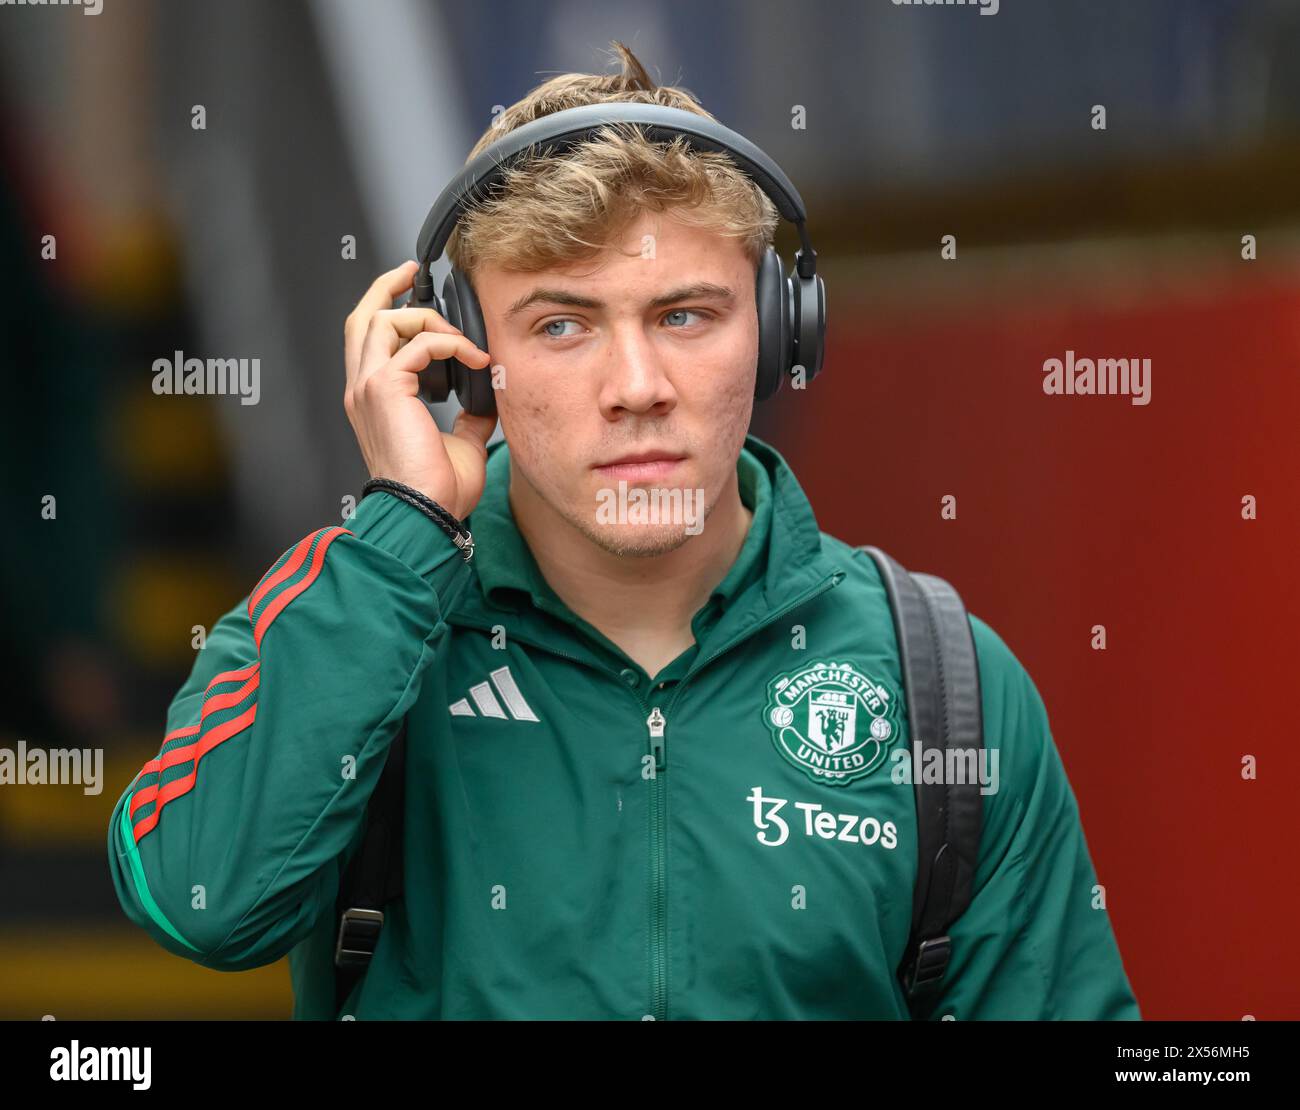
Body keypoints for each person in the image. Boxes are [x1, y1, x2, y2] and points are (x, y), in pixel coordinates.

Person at [106, 42, 1140, 1021]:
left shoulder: (943, 684)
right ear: (465, 361)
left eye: (686, 315)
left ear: (782, 332)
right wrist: (404, 534)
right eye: (560, 325)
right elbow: (202, 902)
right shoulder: (357, 617)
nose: (637, 388)